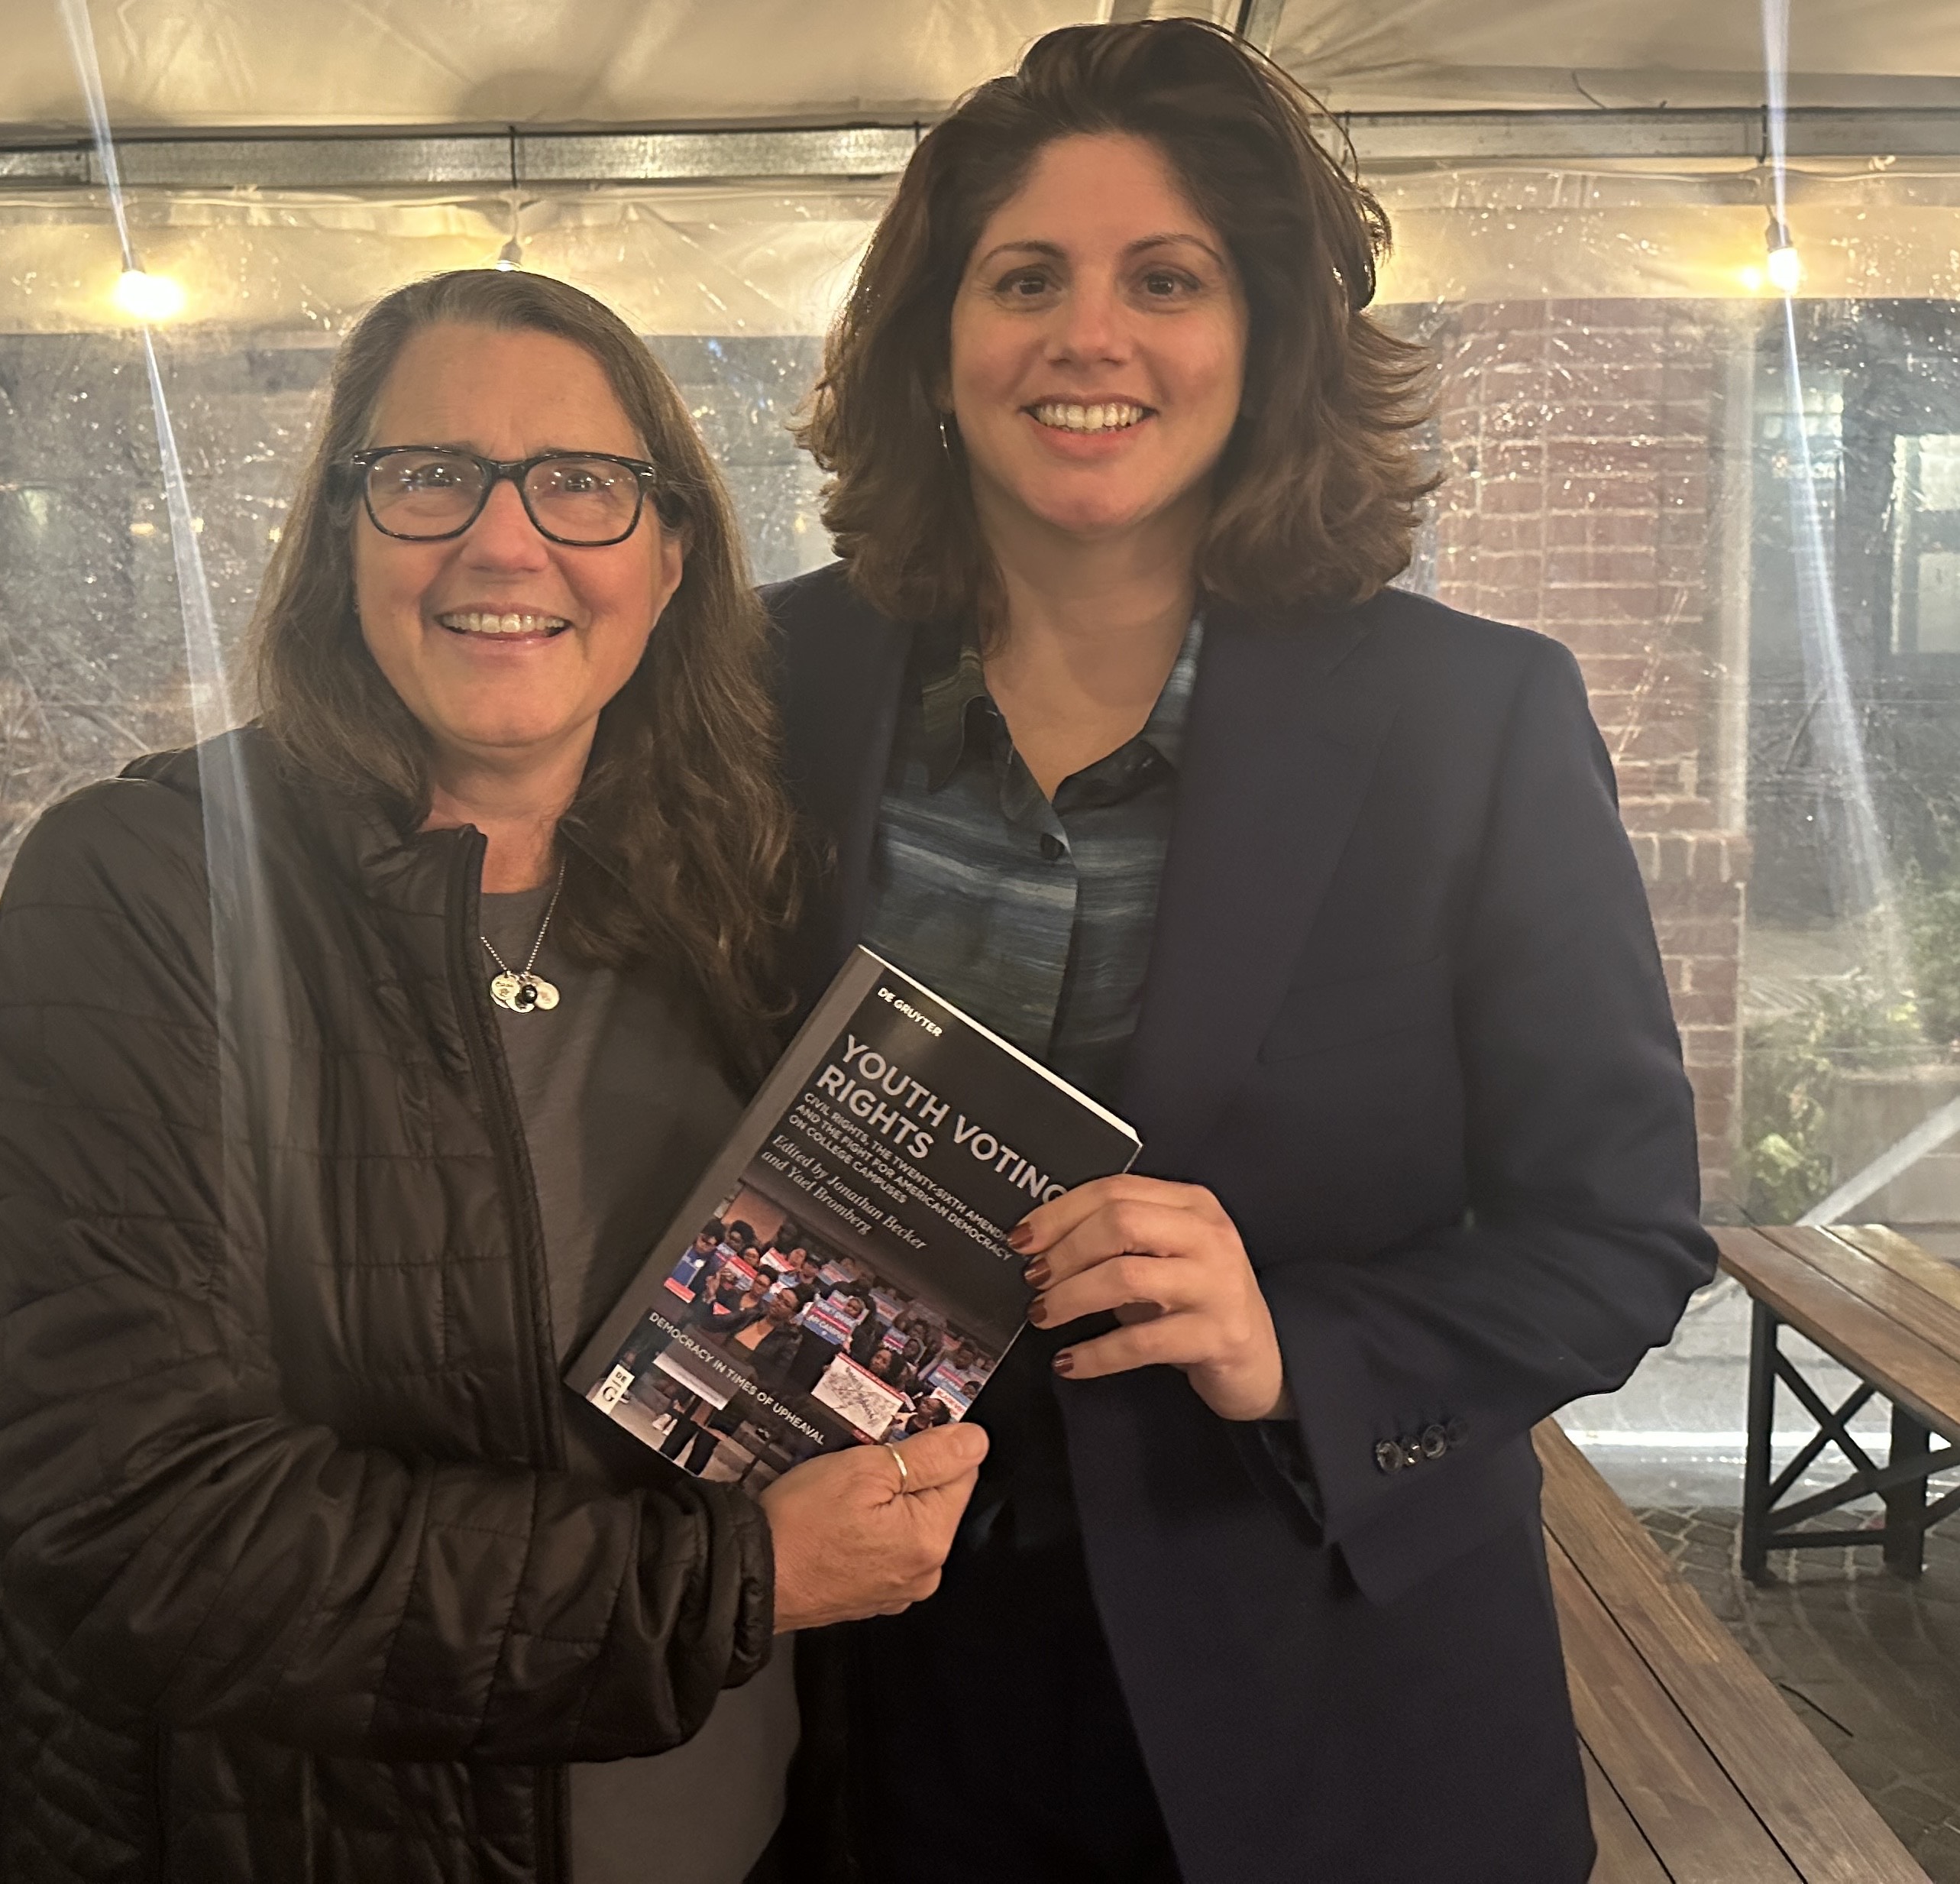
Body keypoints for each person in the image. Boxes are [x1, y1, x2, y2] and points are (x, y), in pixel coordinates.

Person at [768, 21, 1713, 1883]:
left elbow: (1618, 1235)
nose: (1088, 336)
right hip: (873, 1689)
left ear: (1268, 339)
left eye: (1167, 280)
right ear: (931, 345)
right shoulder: (764, 684)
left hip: (1327, 1698)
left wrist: (1300, 1345)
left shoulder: (1472, 722)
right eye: (1023, 278)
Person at [0, 267, 988, 1884]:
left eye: (583, 481)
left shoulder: (737, 890)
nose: (506, 543)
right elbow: (135, 1517)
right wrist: (735, 1582)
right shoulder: (145, 890)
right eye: (431, 475)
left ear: (671, 556)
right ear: (341, 533)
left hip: (750, 1828)